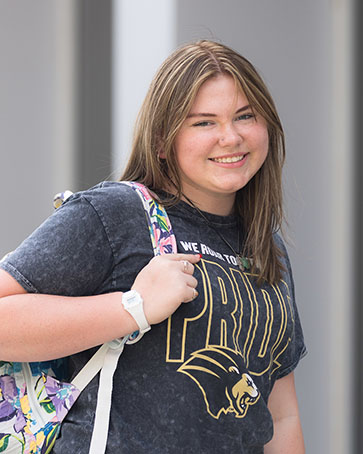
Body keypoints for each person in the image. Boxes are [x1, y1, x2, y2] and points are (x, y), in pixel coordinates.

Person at [0, 40, 306, 453]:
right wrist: (133, 306)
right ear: (162, 141)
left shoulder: (267, 246)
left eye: (245, 116)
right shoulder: (118, 214)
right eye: (203, 123)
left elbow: (280, 412)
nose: (230, 137)